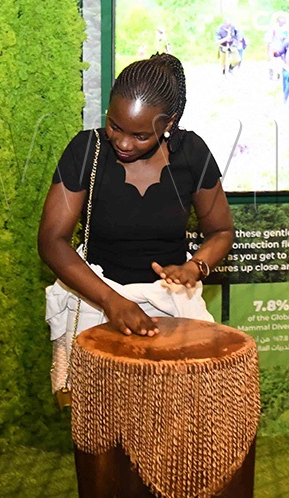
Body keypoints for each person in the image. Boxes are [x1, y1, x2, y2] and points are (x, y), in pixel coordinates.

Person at [40, 53, 234, 354]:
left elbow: (221, 231)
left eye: (141, 135)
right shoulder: (86, 150)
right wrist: (111, 301)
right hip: (97, 297)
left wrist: (195, 267)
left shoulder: (192, 153)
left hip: (172, 301)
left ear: (169, 122)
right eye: (114, 126)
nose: (124, 143)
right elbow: (52, 241)